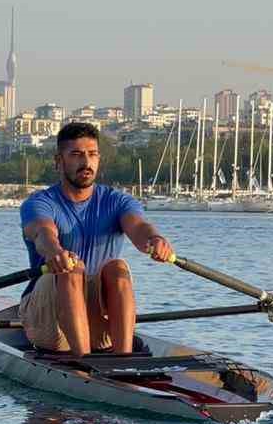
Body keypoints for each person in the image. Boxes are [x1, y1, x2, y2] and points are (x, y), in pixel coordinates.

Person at [19, 121, 174, 356]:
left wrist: (155, 239)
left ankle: (123, 358)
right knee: (73, 267)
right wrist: (55, 253)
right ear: (58, 162)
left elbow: (139, 227)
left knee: (117, 267)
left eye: (92, 154)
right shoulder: (40, 203)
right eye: (76, 155)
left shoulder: (118, 201)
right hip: (48, 324)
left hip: (96, 325)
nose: (86, 162)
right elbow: (43, 234)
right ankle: (83, 361)